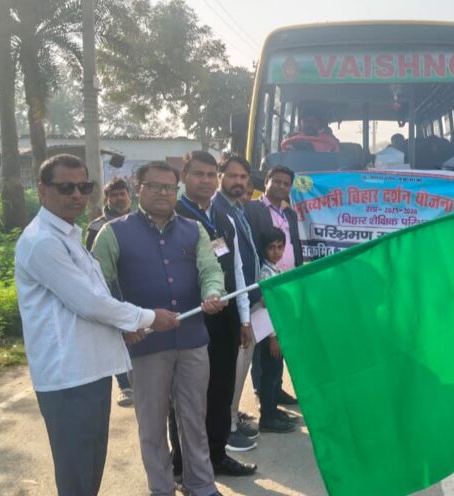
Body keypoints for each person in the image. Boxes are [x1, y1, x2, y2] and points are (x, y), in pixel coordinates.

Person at [15, 154, 180, 496]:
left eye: (84, 186)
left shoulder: (67, 235)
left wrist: (124, 326)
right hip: (68, 377)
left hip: (89, 370)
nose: (77, 195)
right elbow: (89, 303)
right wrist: (148, 317)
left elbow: (95, 295)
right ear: (43, 190)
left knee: (88, 470)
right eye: (66, 187)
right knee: (77, 475)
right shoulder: (43, 241)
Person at [92, 161, 228, 496]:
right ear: (138, 188)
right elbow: (96, 287)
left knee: (194, 418)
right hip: (146, 344)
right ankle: (161, 488)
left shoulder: (193, 229)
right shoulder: (113, 233)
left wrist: (213, 292)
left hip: (193, 340)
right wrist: (123, 325)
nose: (163, 193)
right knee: (151, 425)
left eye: (170, 187)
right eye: (154, 186)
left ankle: (201, 484)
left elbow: (210, 269)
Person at [173, 151, 259, 473]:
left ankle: (216, 454)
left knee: (221, 389)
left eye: (211, 175)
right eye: (199, 174)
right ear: (185, 176)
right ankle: (182, 466)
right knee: (187, 397)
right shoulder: (174, 216)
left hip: (226, 318)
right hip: (191, 318)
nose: (206, 181)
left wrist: (244, 318)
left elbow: (237, 269)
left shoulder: (224, 218)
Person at [244, 166, 305, 431]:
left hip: (286, 286)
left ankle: (276, 393)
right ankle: (265, 400)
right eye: (276, 181)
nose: (281, 186)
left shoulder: (289, 213)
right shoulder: (253, 210)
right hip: (266, 288)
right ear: (266, 182)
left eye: (286, 183)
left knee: (280, 348)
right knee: (267, 349)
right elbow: (251, 246)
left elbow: (294, 245)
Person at [84, 176, 135, 408]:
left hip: (136, 288)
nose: (119, 198)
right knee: (116, 337)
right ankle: (125, 386)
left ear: (130, 196)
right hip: (111, 291)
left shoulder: (140, 222)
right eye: (114, 195)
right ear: (107, 199)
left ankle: (140, 381)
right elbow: (91, 263)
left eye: (122, 194)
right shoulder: (96, 227)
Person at [251, 228, 297, 432]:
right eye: (271, 248)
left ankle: (273, 410)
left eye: (280, 247)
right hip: (269, 334)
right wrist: (273, 338)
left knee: (276, 372)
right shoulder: (265, 272)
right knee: (269, 374)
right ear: (263, 249)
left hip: (276, 331)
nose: (276, 252)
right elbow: (268, 308)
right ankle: (267, 417)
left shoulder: (275, 269)